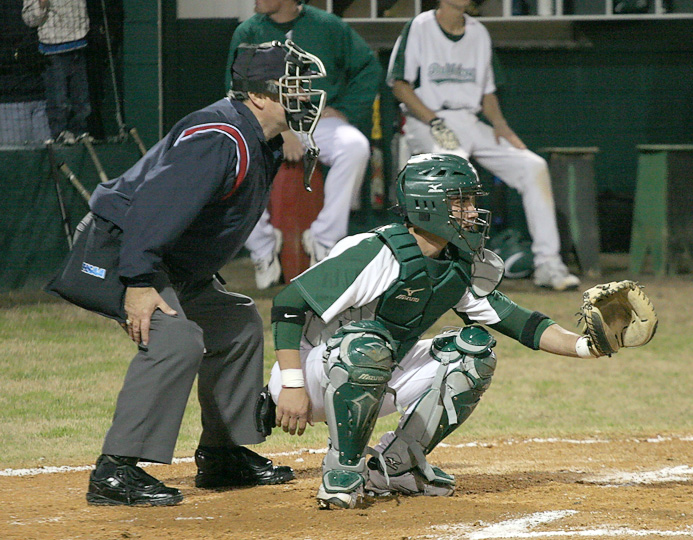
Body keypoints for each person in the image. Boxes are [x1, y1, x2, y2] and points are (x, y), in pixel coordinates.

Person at [260, 153, 636, 510]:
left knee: (475, 351)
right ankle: (343, 471)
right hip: (312, 375)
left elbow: (521, 323)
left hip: (374, 369)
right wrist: (292, 384)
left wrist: (589, 346)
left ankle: (398, 464)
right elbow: (289, 304)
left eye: (471, 201)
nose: (472, 212)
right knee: (367, 344)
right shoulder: (377, 252)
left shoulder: (457, 263)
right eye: (461, 202)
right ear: (428, 204)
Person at [53, 41, 325, 506]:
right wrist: (138, 282)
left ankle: (222, 455)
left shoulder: (259, 135)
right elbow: (152, 211)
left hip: (162, 260)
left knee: (236, 323)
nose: (303, 98)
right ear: (258, 96)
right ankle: (115, 471)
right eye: (291, 88)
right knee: (176, 340)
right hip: (123, 250)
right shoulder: (220, 138)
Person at [386, 0, 580, 291]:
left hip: (469, 119)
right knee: (457, 174)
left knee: (533, 166)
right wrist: (435, 122)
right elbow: (400, 84)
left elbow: (487, 92)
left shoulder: (478, 33)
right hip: (426, 119)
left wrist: (501, 126)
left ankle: (548, 265)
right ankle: (455, 268)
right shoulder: (420, 26)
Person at [226, 0, 383, 289]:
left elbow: (368, 67)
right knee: (233, 161)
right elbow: (236, 88)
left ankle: (325, 239)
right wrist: (282, 131)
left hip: (316, 119)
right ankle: (261, 247)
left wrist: (345, 109)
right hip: (264, 123)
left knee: (355, 146)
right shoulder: (248, 31)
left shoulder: (327, 26)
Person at [22, 0, 92, 144]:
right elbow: (29, 19)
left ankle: (80, 132)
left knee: (81, 99)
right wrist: (41, 5)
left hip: (79, 44)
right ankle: (59, 134)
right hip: (53, 49)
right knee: (58, 100)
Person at [0, 0, 50, 145]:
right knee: (16, 163)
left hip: (44, 100)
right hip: (10, 102)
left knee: (49, 165)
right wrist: (16, 54)